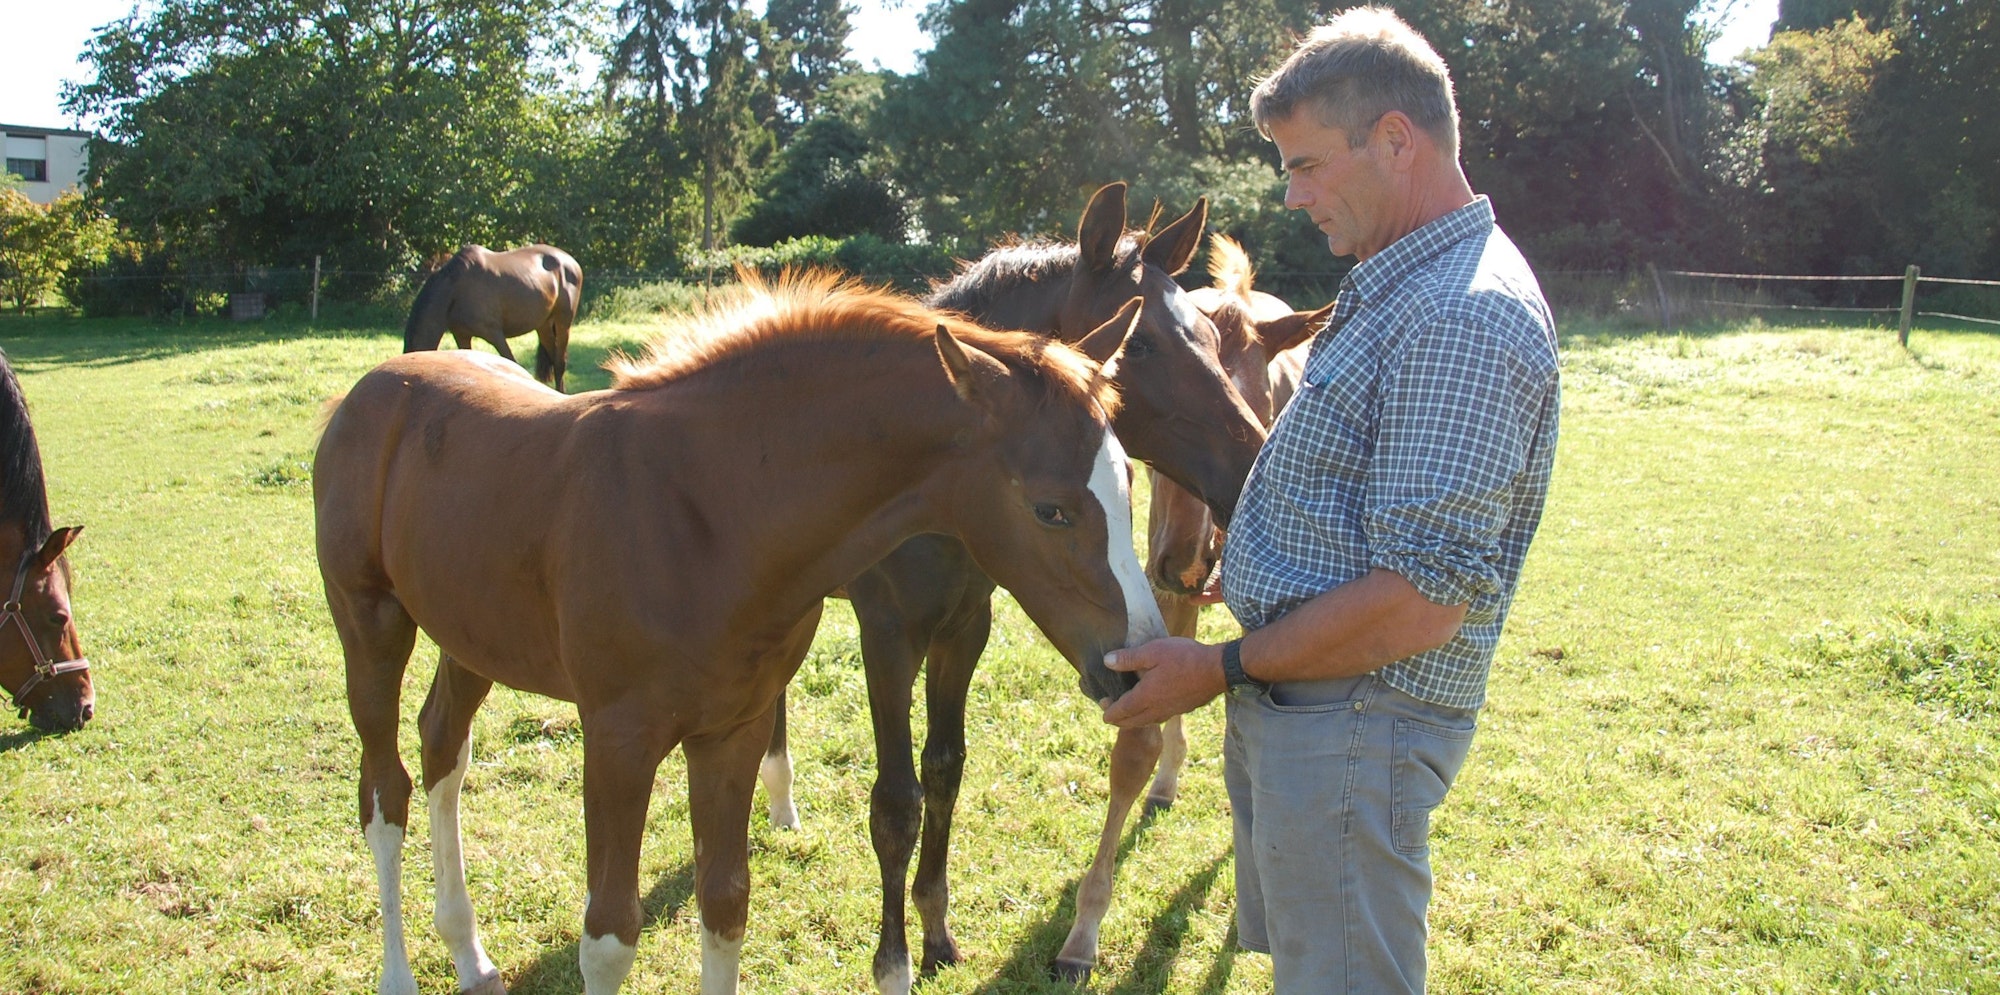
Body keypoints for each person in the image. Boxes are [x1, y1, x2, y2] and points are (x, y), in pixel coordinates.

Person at [1098, 7, 1561, 992]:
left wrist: (1219, 662)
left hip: (1352, 725)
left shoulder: (1459, 313)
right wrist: (1273, 567)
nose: (1291, 192)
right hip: (1315, 709)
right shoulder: (1400, 282)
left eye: (1305, 163)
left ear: (1394, 139)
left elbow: (1423, 596)